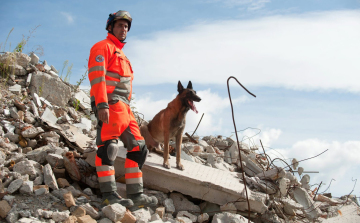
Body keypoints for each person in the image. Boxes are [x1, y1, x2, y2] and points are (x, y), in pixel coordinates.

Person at [88, 10, 157, 209]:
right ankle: (109, 195)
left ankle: (136, 195)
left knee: (139, 147)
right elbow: (97, 77)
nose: (124, 29)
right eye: (120, 25)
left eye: (126, 26)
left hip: (124, 107)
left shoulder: (122, 55)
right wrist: (101, 104)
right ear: (110, 27)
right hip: (110, 103)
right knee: (108, 147)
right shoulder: (102, 47)